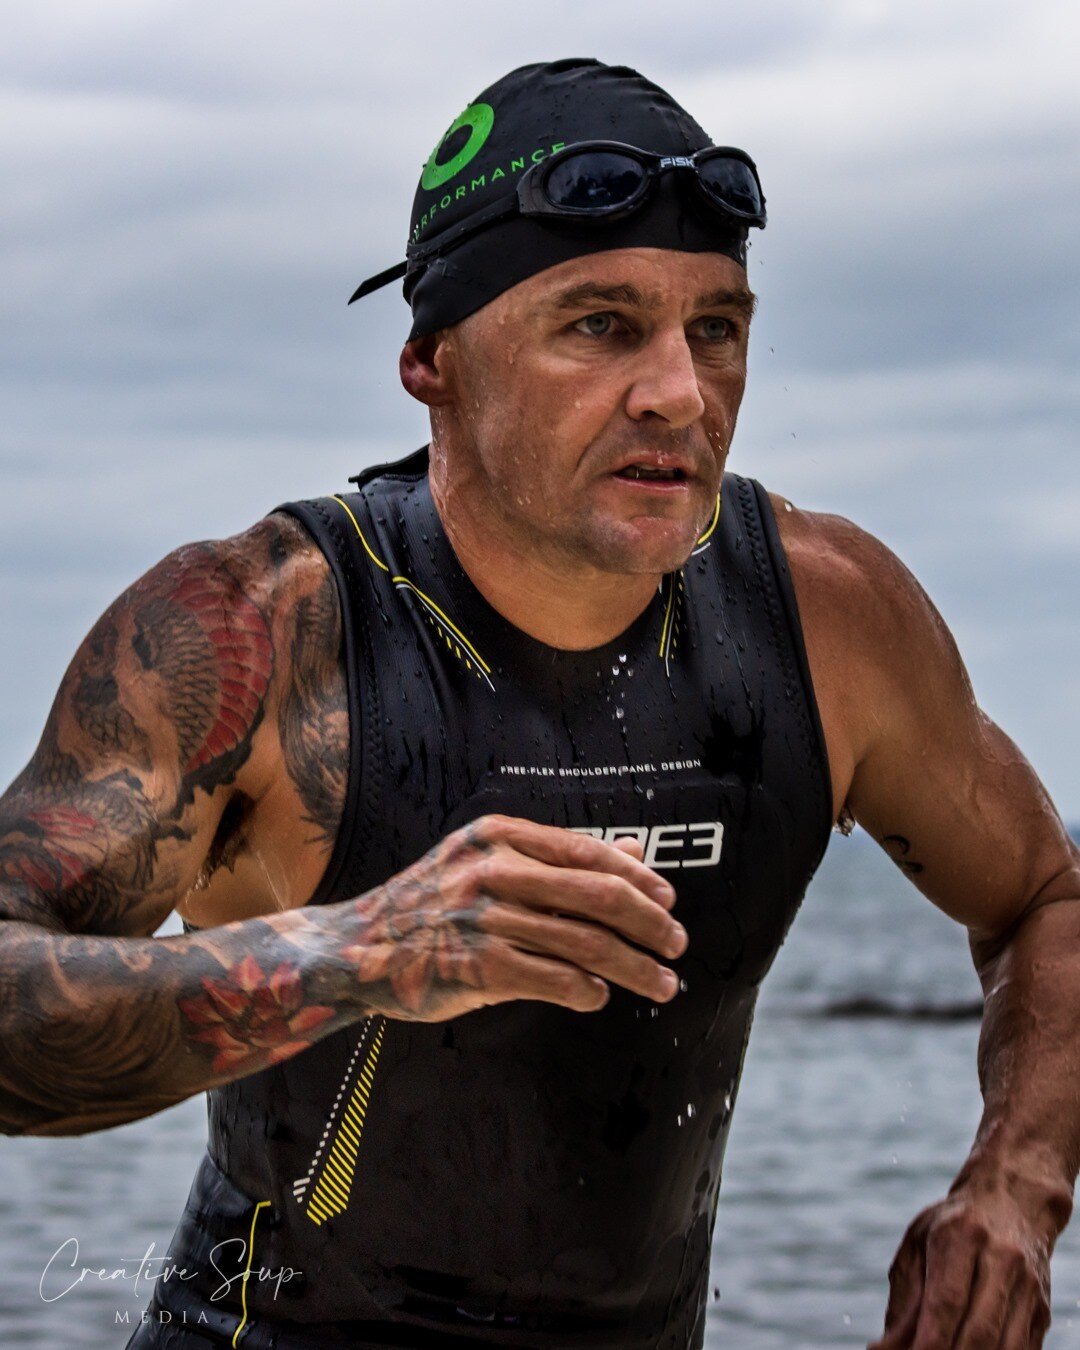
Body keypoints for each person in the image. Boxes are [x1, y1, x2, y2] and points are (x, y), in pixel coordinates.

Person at [0, 55, 1075, 1350]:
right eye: (600, 325)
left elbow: (1045, 894)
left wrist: (1014, 1191)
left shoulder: (828, 623)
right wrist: (354, 954)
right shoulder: (261, 634)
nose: (680, 390)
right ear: (431, 359)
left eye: (717, 327)